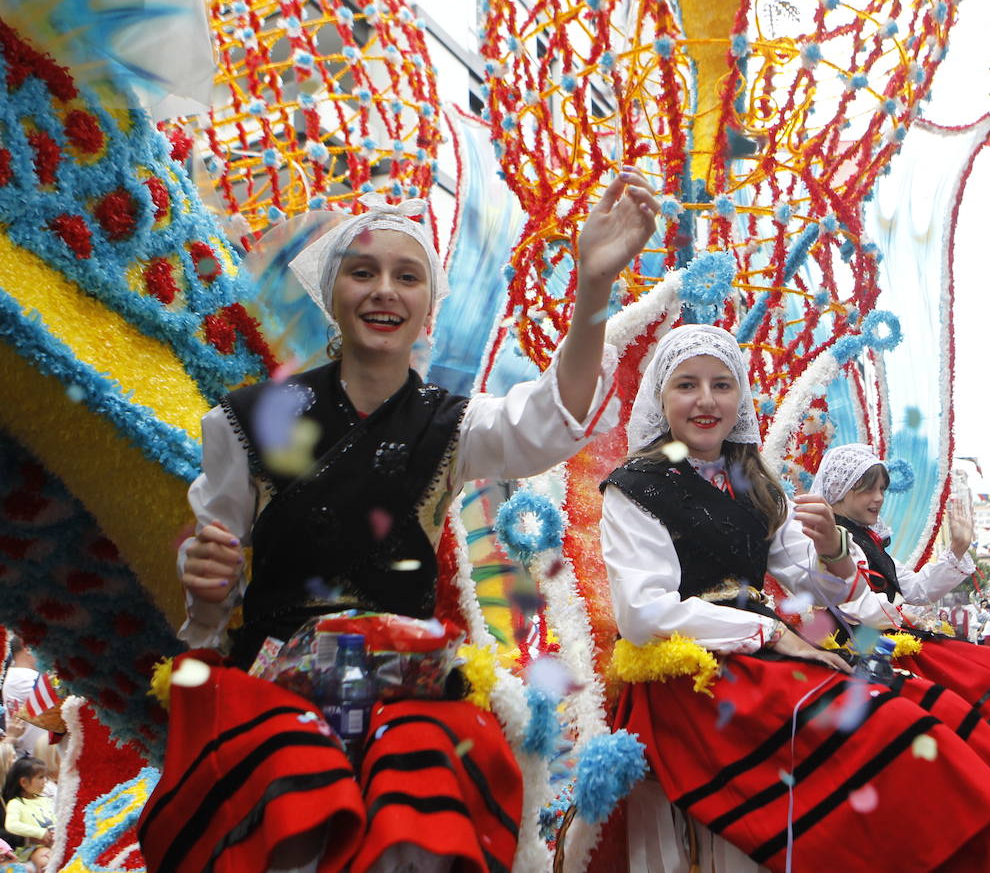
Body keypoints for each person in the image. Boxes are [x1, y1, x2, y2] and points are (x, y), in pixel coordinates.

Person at [139, 170, 661, 872]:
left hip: (408, 704)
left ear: (426, 308)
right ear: (334, 294)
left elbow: (555, 422)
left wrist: (593, 287)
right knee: (292, 809)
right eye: (364, 271)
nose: (385, 289)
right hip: (273, 700)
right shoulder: (245, 422)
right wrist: (204, 587)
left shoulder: (453, 424)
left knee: (413, 832)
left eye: (406, 276)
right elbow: (211, 586)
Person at [601, 325, 990, 872]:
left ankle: (966, 834)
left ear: (739, 397)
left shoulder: (755, 484)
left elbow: (816, 587)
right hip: (689, 678)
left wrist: (835, 551)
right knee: (892, 730)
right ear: (660, 396)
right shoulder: (635, 486)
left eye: (722, 385)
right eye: (687, 385)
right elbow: (643, 613)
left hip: (758, 660)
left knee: (934, 713)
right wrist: (774, 634)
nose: (706, 400)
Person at [809, 443, 990, 757]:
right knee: (951, 715)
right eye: (867, 489)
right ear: (840, 489)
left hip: (892, 643)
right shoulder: (827, 537)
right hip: (862, 653)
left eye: (882, 490)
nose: (878, 498)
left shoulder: (868, 539)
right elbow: (850, 603)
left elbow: (918, 588)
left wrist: (957, 548)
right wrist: (896, 613)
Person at [1, 756, 53, 871]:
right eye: (40, 777)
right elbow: (12, 825)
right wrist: (40, 833)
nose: (45, 781)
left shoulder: (46, 800)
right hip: (32, 848)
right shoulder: (16, 803)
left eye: (45, 777)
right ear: (24, 782)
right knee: (47, 862)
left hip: (54, 844)